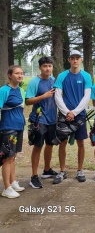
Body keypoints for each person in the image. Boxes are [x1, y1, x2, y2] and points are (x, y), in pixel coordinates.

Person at [53, 50, 93, 184]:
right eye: (73, 58)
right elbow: (58, 95)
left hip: (79, 115)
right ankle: (62, 170)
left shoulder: (86, 76)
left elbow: (86, 97)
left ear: (81, 60)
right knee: (62, 142)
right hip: (64, 115)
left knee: (81, 143)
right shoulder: (62, 76)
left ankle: (80, 170)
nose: (75, 60)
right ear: (69, 60)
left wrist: (74, 112)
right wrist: (66, 112)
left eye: (78, 58)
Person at [25, 56, 58, 189]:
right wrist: (43, 96)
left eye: (50, 66)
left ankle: (47, 170)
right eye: (45, 66)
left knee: (50, 145)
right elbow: (27, 101)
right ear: (40, 67)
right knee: (38, 146)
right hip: (39, 120)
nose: (48, 68)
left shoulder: (54, 80)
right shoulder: (34, 82)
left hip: (52, 119)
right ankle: (33, 176)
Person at [0, 65, 26, 198]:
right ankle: (6, 188)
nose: (20, 75)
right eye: (17, 73)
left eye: (21, 73)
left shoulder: (21, 90)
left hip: (19, 127)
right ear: (10, 75)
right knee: (7, 157)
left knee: (13, 155)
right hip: (8, 127)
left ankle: (12, 181)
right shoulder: (4, 90)